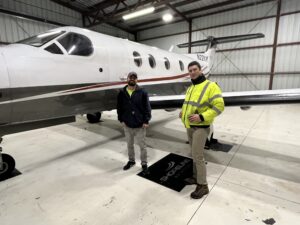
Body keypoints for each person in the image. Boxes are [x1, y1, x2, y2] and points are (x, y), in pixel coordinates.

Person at [179, 61, 224, 199]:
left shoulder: (211, 86)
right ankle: (195, 177)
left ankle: (203, 185)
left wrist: (202, 116)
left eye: (194, 69)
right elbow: (189, 104)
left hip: (201, 127)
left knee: (198, 156)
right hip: (189, 126)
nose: (192, 72)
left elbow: (219, 106)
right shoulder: (191, 88)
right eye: (190, 70)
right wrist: (183, 111)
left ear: (200, 70)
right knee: (193, 154)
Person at [117, 72, 152, 174]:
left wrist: (146, 120)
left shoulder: (142, 92)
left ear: (137, 80)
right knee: (129, 145)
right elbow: (119, 107)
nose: (132, 79)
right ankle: (131, 161)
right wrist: (121, 119)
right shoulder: (122, 93)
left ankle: (144, 163)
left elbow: (147, 107)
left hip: (140, 125)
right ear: (127, 79)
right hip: (127, 125)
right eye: (130, 77)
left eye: (134, 78)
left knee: (142, 146)